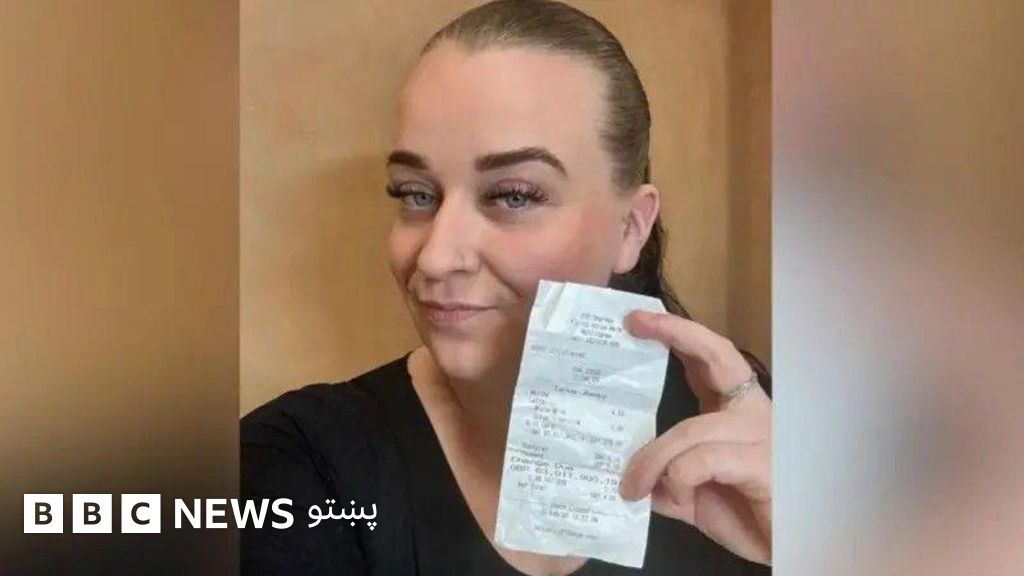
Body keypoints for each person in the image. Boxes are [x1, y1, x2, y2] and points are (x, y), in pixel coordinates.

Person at [241, 1, 772, 574]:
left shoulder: (745, 437)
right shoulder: (292, 466)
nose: (436, 257)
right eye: (416, 194)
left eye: (513, 195)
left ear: (631, 228)